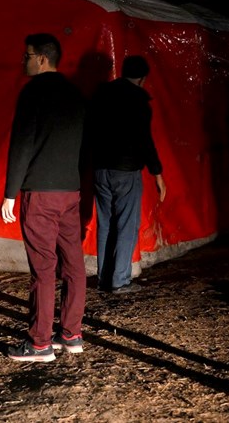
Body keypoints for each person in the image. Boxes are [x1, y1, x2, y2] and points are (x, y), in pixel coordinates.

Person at [1, 33, 88, 362]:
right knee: (74, 264)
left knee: (43, 269)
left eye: (26, 56)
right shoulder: (76, 94)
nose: (23, 61)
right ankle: (72, 334)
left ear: (41, 58)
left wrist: (10, 194)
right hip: (70, 190)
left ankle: (39, 343)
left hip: (39, 192)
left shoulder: (32, 93)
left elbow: (21, 145)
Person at [85, 54, 166, 294]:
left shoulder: (100, 95)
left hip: (100, 170)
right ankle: (119, 281)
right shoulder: (138, 101)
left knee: (105, 223)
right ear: (142, 79)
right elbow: (145, 140)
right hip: (126, 171)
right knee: (126, 225)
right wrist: (157, 173)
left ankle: (103, 277)